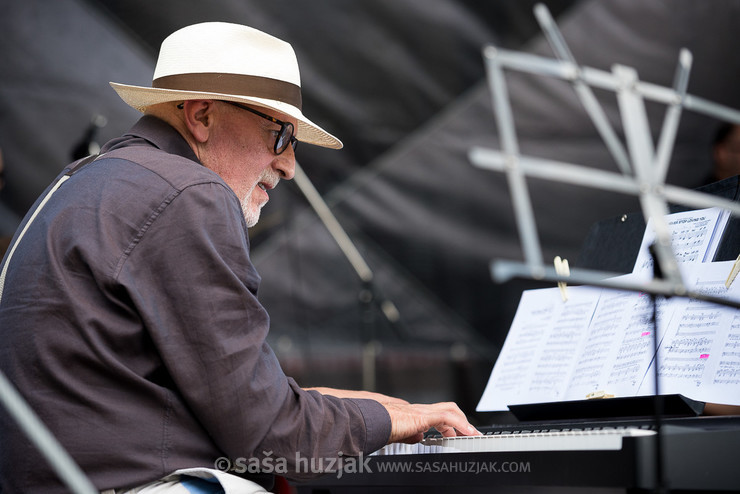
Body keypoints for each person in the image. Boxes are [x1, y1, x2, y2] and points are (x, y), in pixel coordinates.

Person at [0, 22, 478, 493]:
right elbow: (273, 435)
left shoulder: (82, 180)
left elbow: (210, 397)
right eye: (280, 136)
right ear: (203, 116)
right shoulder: (189, 193)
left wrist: (367, 408)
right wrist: (388, 418)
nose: (289, 165)